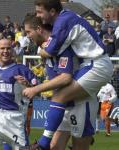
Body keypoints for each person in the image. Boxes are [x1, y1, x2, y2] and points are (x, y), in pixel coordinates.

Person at [22, 0, 113, 150]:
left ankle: (43, 144)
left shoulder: (62, 24)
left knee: (60, 98)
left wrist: (36, 88)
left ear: (51, 12)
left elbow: (60, 69)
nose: (27, 37)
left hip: (95, 65)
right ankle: (46, 144)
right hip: (73, 95)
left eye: (28, 32)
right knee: (56, 146)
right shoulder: (63, 23)